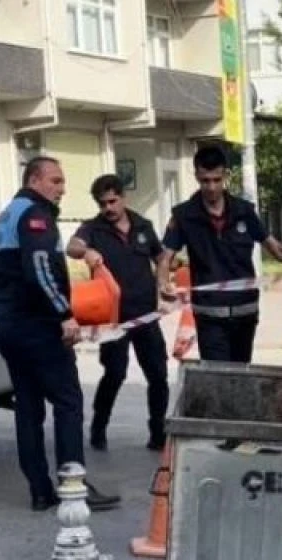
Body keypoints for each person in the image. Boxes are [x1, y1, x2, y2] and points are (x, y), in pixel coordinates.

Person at [0, 156, 121, 512]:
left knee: (28, 409)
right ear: (35, 179)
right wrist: (64, 314)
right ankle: (73, 485)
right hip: (38, 326)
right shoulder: (35, 216)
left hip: (10, 326)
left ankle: (40, 491)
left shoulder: (2, 219)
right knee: (67, 403)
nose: (62, 189)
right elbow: (41, 269)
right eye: (56, 181)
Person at [155, 145, 282, 363]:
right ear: (197, 176)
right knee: (218, 379)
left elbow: (276, 249)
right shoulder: (184, 215)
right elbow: (165, 257)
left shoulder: (244, 211)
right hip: (209, 314)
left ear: (226, 176)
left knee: (240, 375)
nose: (211, 187)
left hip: (245, 311)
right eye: (205, 180)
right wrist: (163, 284)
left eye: (216, 180)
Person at [66, 174, 170, 452]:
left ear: (124, 197)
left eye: (112, 201)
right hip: (112, 320)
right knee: (115, 373)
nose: (108, 208)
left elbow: (160, 257)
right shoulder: (93, 229)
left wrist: (163, 283)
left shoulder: (143, 226)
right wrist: (86, 251)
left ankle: (158, 432)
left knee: (158, 375)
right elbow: (71, 246)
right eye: (102, 204)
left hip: (145, 315)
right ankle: (99, 427)